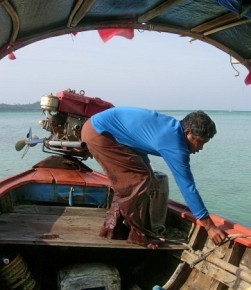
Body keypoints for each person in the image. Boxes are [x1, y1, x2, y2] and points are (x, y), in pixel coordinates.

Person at [81, 107, 226, 249]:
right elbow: (187, 187)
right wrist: (210, 227)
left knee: (141, 178)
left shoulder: (171, 127)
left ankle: (112, 228)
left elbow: (138, 145)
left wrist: (149, 171)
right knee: (138, 181)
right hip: (100, 134)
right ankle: (140, 236)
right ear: (187, 132)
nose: (200, 148)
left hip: (101, 129)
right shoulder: (175, 145)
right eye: (200, 142)